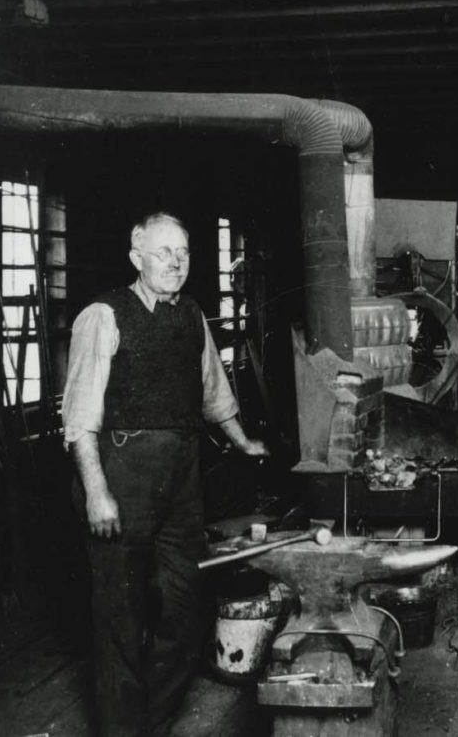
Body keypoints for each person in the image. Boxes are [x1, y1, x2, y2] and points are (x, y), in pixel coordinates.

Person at [61, 212, 268, 737]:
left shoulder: (192, 315)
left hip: (181, 475)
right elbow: (80, 418)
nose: (176, 263)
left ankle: (148, 722)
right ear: (137, 259)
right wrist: (97, 493)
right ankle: (122, 730)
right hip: (120, 474)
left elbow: (212, 391)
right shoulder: (103, 316)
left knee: (186, 606)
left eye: (184, 252)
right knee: (120, 618)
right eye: (163, 253)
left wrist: (242, 441)